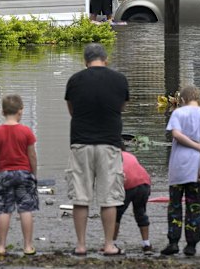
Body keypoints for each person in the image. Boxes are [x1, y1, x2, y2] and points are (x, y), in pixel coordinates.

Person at [64, 43, 129, 256]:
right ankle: (109, 244)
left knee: (81, 197)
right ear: (105, 59)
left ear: (85, 61)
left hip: (81, 142)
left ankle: (81, 245)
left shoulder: (74, 81)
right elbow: (121, 108)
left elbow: (72, 111)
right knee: (109, 196)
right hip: (109, 143)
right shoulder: (119, 80)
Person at [161, 85, 200, 257]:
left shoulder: (178, 113)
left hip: (178, 167)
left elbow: (176, 134)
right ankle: (191, 244)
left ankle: (173, 241)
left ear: (182, 100)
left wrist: (193, 144)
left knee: (175, 205)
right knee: (196, 206)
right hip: (198, 165)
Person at [0, 94, 38, 256]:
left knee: (4, 210)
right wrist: (33, 173)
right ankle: (28, 246)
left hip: (3, 173)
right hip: (24, 172)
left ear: (2, 112)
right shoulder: (26, 132)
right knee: (25, 210)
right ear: (20, 111)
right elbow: (32, 155)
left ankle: (1, 245)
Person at [113, 144, 153, 255]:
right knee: (140, 212)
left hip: (128, 184)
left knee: (116, 214)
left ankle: (112, 243)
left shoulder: (113, 156)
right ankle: (146, 244)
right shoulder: (130, 155)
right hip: (144, 182)